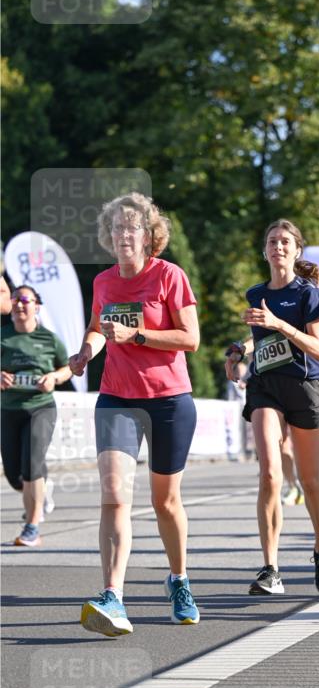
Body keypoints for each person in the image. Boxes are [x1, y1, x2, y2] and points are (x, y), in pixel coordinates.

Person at [69, 192, 201, 636]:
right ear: (109, 237)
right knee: (114, 495)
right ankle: (113, 596)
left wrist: (138, 334)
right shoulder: (104, 283)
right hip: (117, 398)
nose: (124, 234)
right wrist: (86, 352)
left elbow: (190, 339)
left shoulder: (169, 276)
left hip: (168, 399)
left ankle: (178, 580)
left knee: (164, 502)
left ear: (149, 237)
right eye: (117, 228)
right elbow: (98, 329)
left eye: (133, 227)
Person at [224, 218, 319, 595]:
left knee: (309, 478)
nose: (278, 247)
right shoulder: (256, 293)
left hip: (304, 386)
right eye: (272, 241)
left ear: (296, 250)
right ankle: (270, 568)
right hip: (265, 387)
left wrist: (279, 325)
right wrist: (241, 350)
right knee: (271, 473)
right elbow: (261, 337)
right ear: (265, 251)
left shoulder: (308, 294)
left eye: (285, 241)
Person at [1, 285, 72, 546]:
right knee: (13, 474)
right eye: (15, 300)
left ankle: (32, 526)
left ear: (36, 306)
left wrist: (54, 377)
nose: (19, 304)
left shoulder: (49, 339)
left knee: (31, 465)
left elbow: (67, 368)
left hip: (40, 407)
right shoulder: (3, 336)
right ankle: (42, 490)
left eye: (25, 300)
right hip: (8, 409)